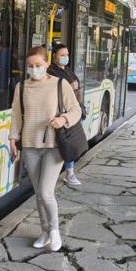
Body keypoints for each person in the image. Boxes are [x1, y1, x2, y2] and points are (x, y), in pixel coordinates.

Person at [8, 46, 82, 252]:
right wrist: (13, 139)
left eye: (38, 65)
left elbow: (76, 109)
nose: (34, 69)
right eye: (30, 66)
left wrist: (63, 119)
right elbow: (16, 116)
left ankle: (54, 231)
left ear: (47, 63)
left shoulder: (60, 84)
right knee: (38, 193)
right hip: (30, 145)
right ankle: (44, 231)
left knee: (45, 191)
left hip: (54, 145)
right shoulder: (21, 87)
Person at [47, 43, 85, 186]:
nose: (65, 57)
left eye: (67, 54)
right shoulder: (51, 71)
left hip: (73, 111)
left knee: (70, 143)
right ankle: (68, 174)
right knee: (66, 144)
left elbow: (76, 86)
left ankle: (69, 172)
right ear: (54, 56)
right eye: (62, 55)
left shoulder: (68, 70)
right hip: (60, 113)